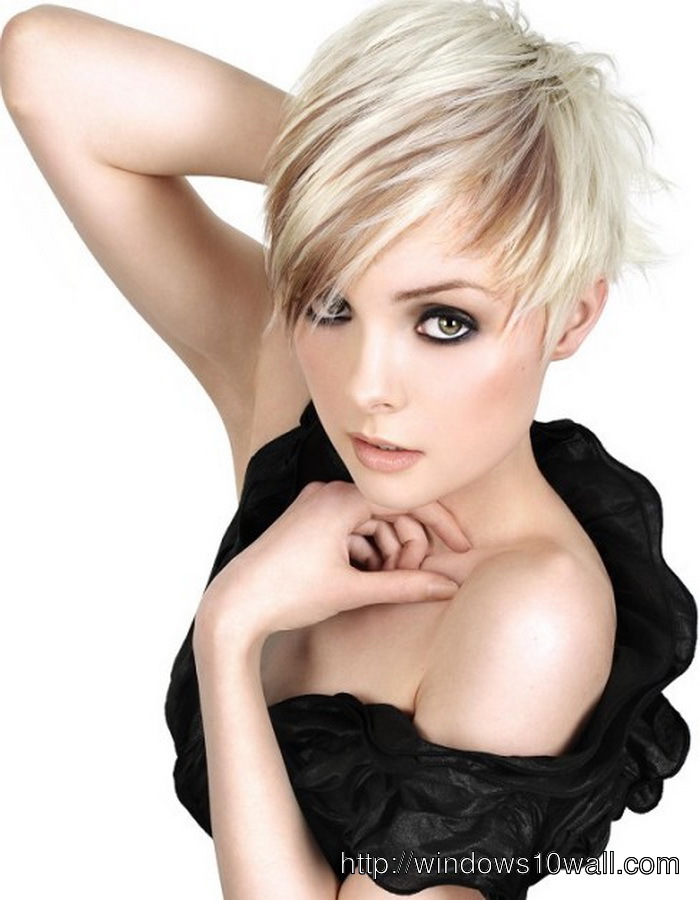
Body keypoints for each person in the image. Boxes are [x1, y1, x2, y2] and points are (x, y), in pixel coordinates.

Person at [1, 1, 695, 898]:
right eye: (332, 302)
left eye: (444, 321)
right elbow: (43, 64)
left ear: (572, 315)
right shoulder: (292, 385)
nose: (367, 386)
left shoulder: (531, 616)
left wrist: (232, 627)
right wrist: (363, 168)